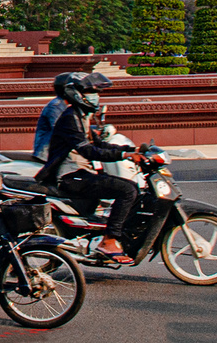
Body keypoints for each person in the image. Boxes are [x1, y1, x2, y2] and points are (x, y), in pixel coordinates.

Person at [37, 71, 141, 263]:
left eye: (96, 91)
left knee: (134, 188)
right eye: (90, 91)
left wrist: (133, 150)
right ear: (77, 94)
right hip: (70, 176)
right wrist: (124, 155)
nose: (95, 95)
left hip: (82, 172)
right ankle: (109, 241)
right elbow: (88, 151)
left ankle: (117, 235)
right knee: (126, 190)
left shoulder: (82, 115)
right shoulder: (70, 117)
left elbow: (99, 144)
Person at [32, 73, 76, 161]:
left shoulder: (68, 105)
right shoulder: (56, 106)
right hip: (48, 154)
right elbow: (62, 128)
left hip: (62, 152)